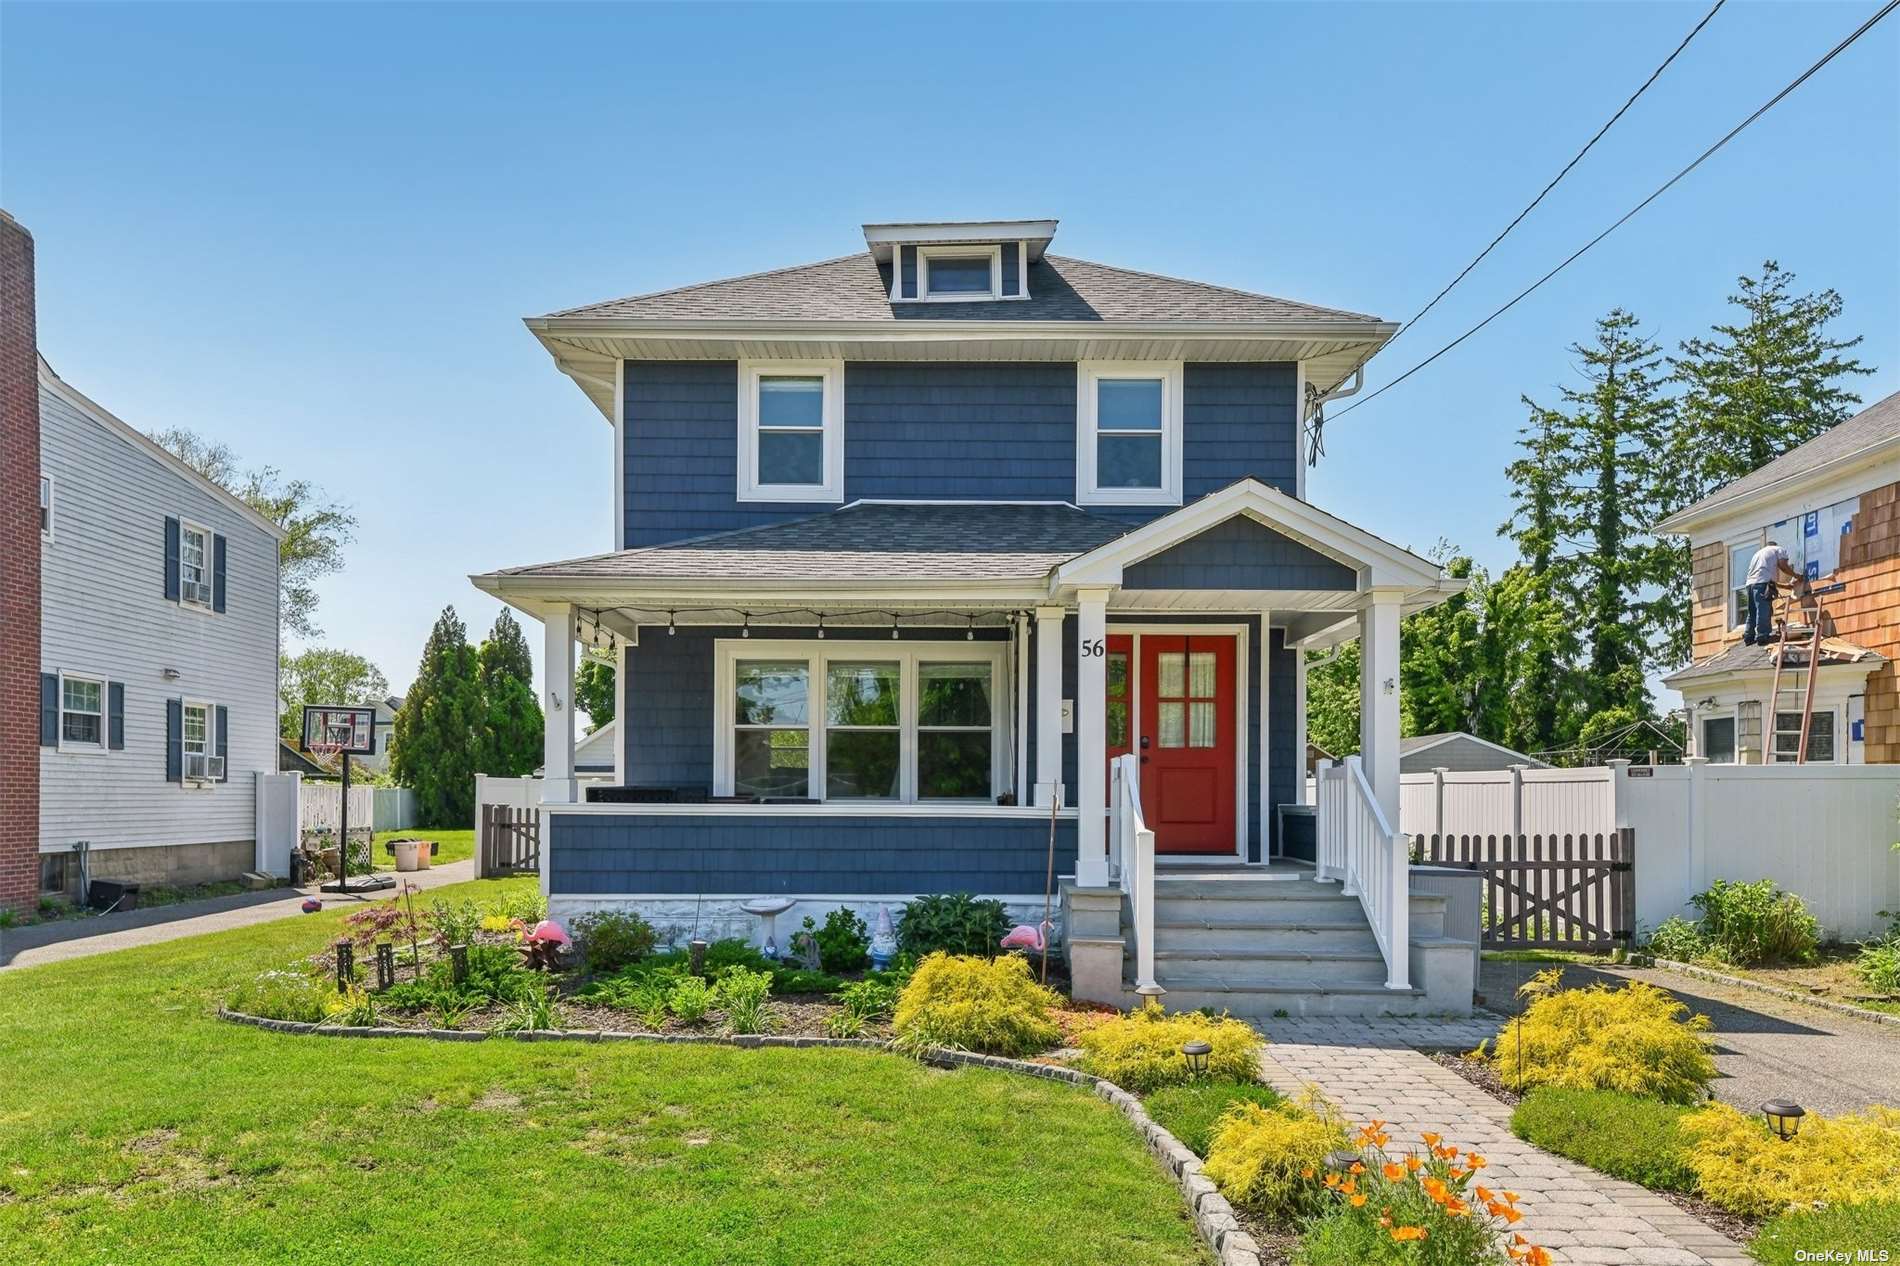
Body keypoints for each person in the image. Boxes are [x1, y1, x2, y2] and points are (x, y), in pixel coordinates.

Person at [1743, 539, 1802, 646]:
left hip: (1750, 584)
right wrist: (1795, 575)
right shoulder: (1779, 549)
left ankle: (1748, 636)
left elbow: (1766, 578)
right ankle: (1762, 635)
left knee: (1752, 611)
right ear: (1775, 545)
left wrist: (1785, 586)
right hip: (1762, 584)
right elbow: (1783, 566)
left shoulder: (1758, 554)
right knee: (1763, 608)